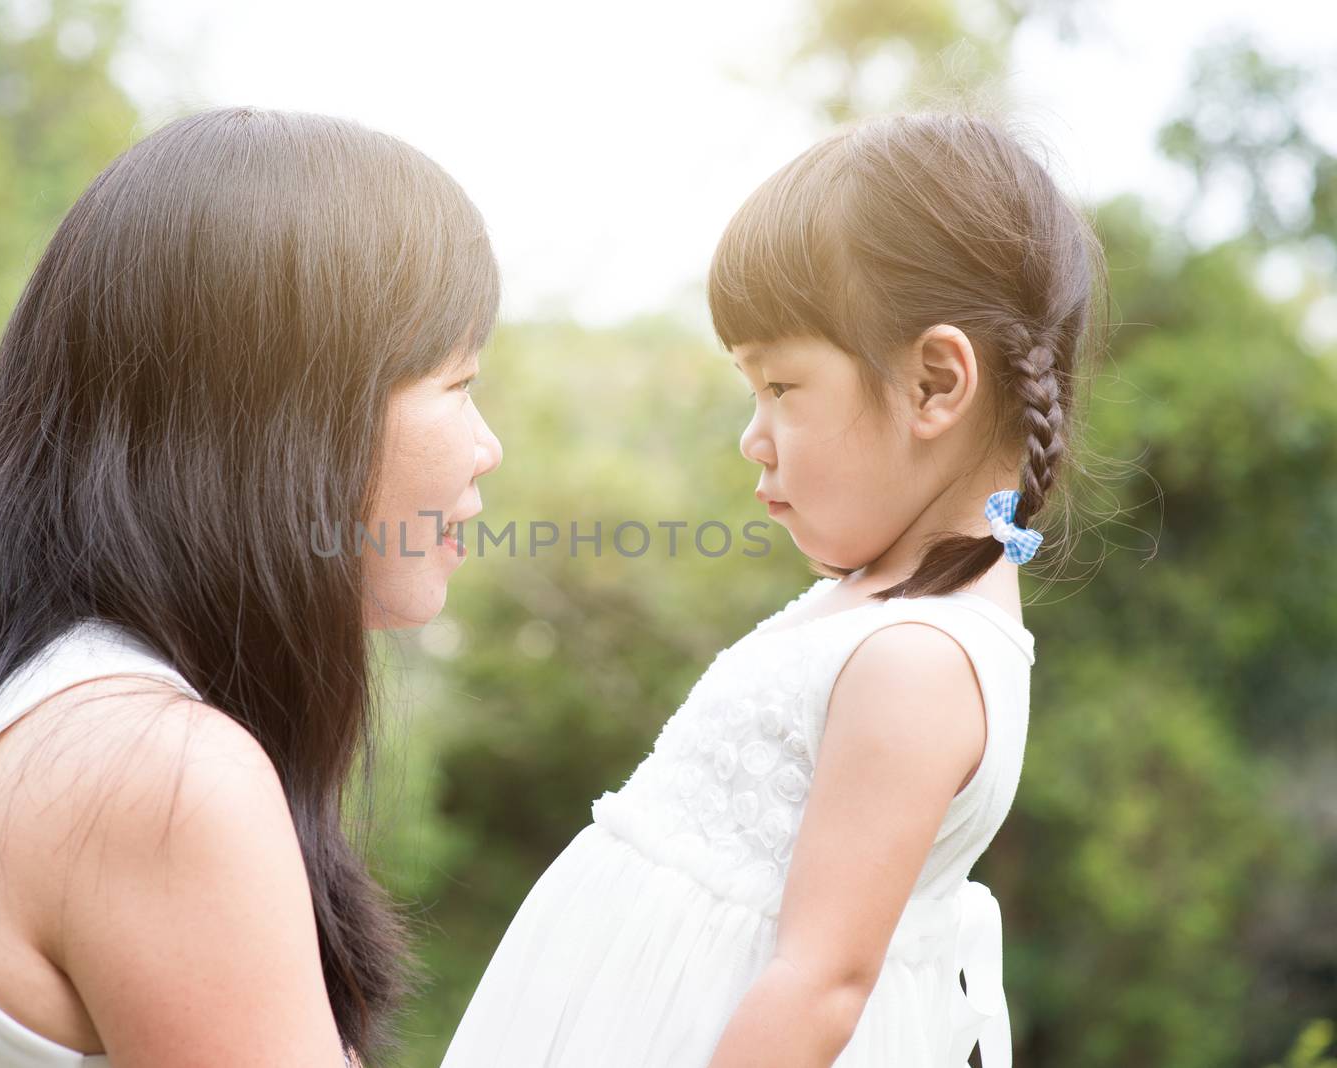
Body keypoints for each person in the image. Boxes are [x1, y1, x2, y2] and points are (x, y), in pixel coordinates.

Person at [0, 106, 503, 1067]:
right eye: (458, 385)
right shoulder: (152, 773)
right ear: (284, 423)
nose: (487, 448)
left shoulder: (31, 712)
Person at [442, 110, 1106, 1067]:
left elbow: (821, 984)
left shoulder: (917, 661)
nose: (755, 436)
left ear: (934, 384)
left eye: (781, 389)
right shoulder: (882, 611)